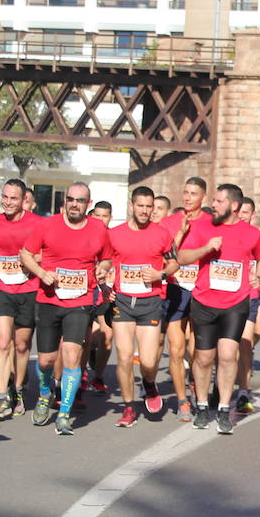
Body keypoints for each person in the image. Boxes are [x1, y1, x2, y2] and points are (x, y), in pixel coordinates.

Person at [176, 183, 260, 434]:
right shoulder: (203, 226)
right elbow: (182, 257)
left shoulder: (250, 233)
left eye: (219, 201)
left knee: (228, 355)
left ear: (234, 205)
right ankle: (203, 405)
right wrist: (206, 247)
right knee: (204, 357)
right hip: (204, 301)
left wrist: (258, 277)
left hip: (235, 304)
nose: (214, 205)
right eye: (215, 201)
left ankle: (224, 408)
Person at [19, 182, 113, 436]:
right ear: (65, 201)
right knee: (48, 360)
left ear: (88, 205)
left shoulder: (98, 229)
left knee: (72, 354)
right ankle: (45, 394)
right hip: (49, 299)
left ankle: (64, 413)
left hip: (80, 301)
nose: (74, 204)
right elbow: (25, 254)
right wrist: (41, 272)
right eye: (70, 199)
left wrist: (103, 268)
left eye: (80, 200)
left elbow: (106, 256)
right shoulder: (47, 225)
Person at [109, 186, 175, 427]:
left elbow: (175, 262)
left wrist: (161, 274)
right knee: (124, 357)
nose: (145, 210)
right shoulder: (114, 234)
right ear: (132, 206)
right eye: (141, 206)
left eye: (149, 206)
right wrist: (107, 285)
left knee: (147, 362)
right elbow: (104, 263)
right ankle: (129, 408)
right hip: (123, 302)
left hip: (150, 302)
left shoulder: (162, 234)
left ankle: (149, 384)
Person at [0, 179, 42, 421]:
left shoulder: (37, 224)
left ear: (23, 200)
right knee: (3, 342)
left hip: (28, 289)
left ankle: (18, 389)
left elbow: (46, 250)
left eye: (13, 198)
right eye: (5, 197)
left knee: (22, 344)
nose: (8, 202)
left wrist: (36, 265)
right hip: (1, 287)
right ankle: (1, 395)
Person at [161, 177, 211, 420]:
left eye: (194, 193)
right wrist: (180, 233)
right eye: (186, 192)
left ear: (203, 197)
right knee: (176, 349)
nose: (188, 197)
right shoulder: (170, 222)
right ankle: (182, 400)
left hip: (202, 290)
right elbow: (165, 256)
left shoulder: (211, 223)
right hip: (175, 289)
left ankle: (196, 383)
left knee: (198, 350)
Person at [234, 196, 260, 414]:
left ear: (252, 215)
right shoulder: (226, 233)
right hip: (223, 298)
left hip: (249, 296)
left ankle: (243, 392)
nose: (242, 216)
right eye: (239, 211)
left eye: (246, 212)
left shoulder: (256, 237)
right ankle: (220, 386)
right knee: (224, 347)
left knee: (246, 342)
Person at [84, 202, 117, 396]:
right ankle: (80, 373)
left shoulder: (114, 238)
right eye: (97, 216)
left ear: (110, 217)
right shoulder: (85, 236)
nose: (100, 220)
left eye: (105, 216)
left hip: (106, 295)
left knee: (107, 336)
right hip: (87, 293)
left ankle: (98, 375)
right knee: (87, 337)